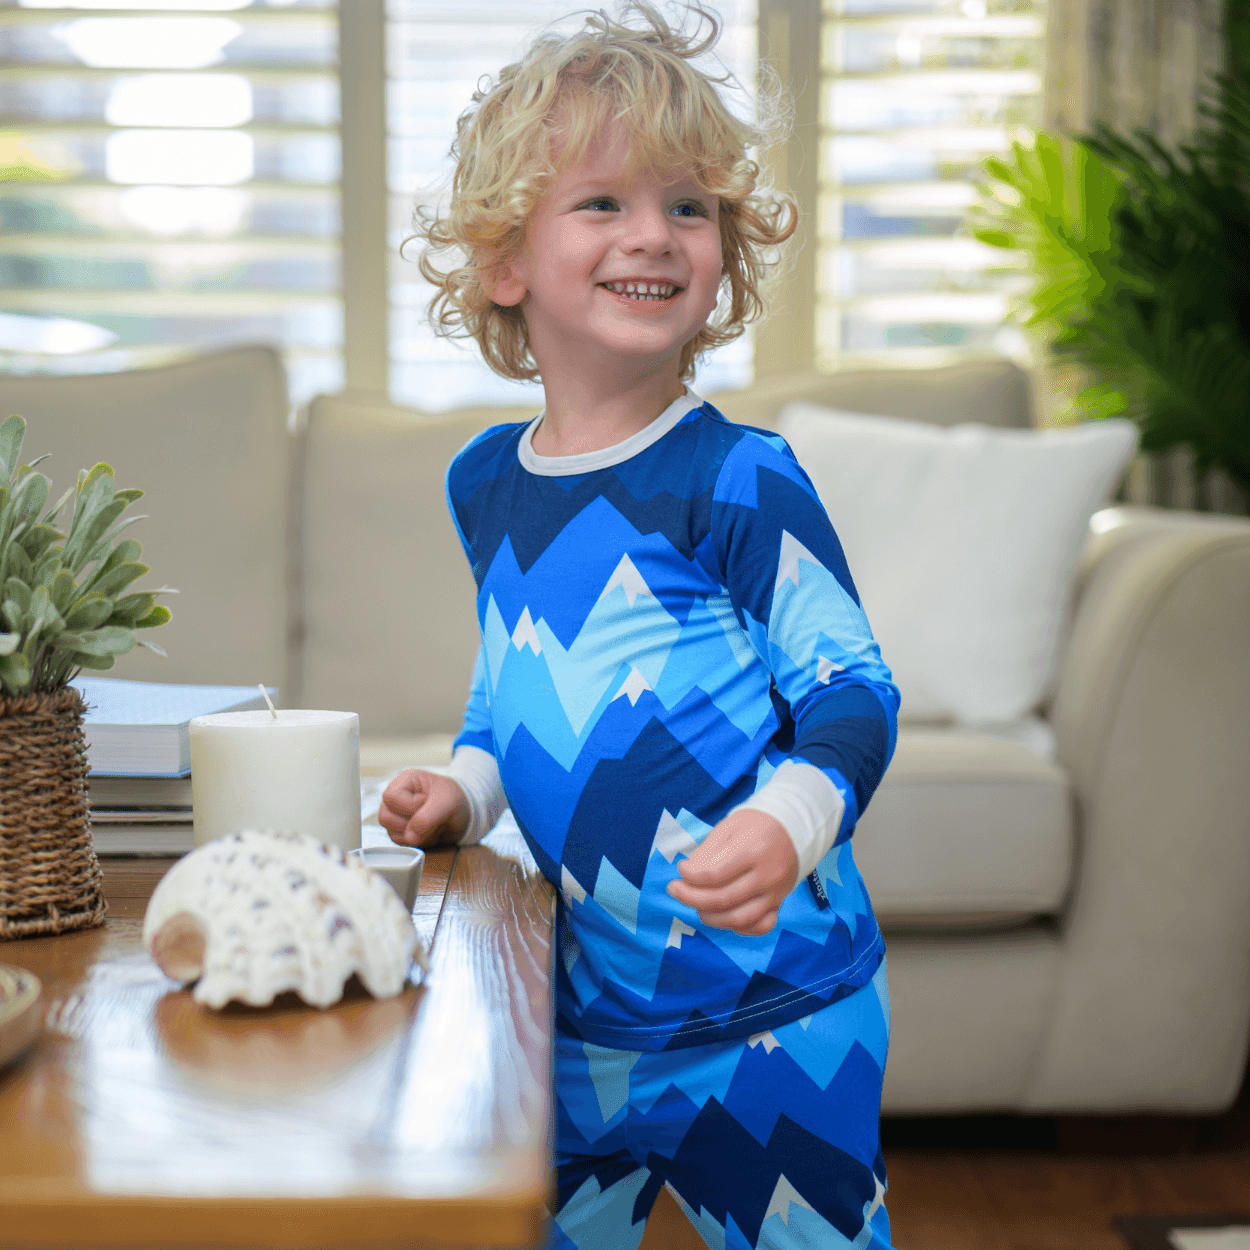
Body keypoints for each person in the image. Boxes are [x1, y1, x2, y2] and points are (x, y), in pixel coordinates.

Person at [379, 5, 900, 1247]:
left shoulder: (738, 476)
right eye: (601, 202)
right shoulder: (484, 483)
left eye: (687, 205)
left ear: (724, 252)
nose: (654, 233)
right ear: (504, 260)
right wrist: (466, 788)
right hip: (582, 1030)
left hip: (772, 1021)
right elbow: (512, 688)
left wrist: (788, 817)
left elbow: (852, 687)